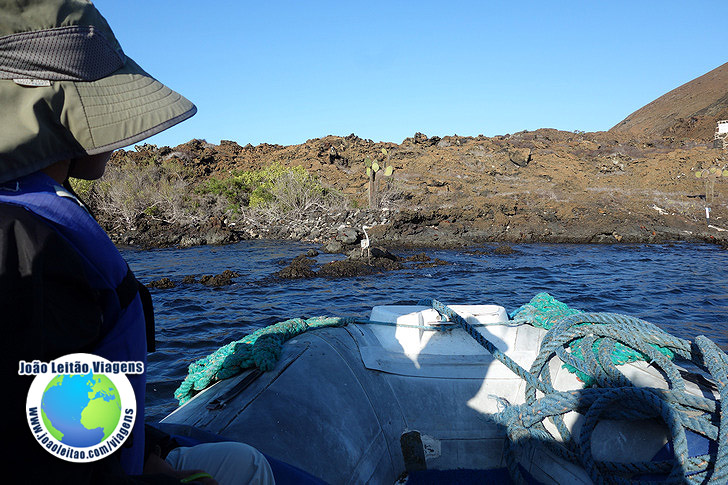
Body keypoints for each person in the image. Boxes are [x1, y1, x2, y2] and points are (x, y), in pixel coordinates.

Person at [0, 1, 274, 483]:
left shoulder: (27, 218)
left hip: (108, 452)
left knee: (242, 461)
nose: (118, 138)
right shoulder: (25, 243)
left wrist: (149, 453)